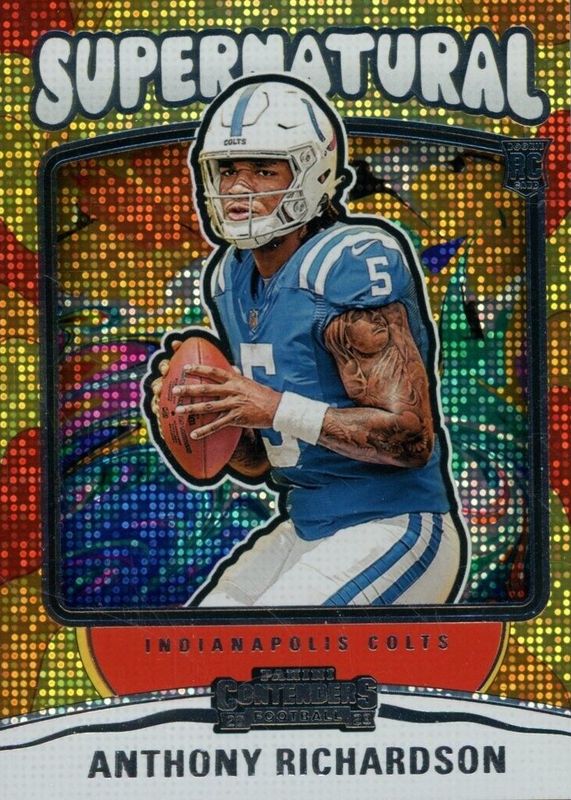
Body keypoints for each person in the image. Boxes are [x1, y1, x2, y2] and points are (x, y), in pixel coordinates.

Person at [150, 73, 471, 607]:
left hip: (394, 523)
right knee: (208, 632)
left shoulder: (346, 263)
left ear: (311, 173)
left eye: (263, 169)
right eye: (227, 169)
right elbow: (260, 461)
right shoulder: (231, 277)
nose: (238, 188)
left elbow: (411, 439)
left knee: (270, 640)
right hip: (308, 525)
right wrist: (207, 414)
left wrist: (272, 406)